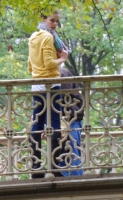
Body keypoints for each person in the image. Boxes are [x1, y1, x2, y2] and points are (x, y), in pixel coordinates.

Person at [27, 11, 70, 178]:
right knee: (54, 124)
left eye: (57, 21)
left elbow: (30, 65)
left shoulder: (33, 37)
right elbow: (49, 63)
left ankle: (36, 167)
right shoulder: (48, 37)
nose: (55, 24)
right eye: (52, 20)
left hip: (36, 85)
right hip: (51, 84)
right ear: (43, 19)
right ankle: (54, 167)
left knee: (37, 123)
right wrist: (63, 58)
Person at [59, 65, 85, 176]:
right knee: (69, 154)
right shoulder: (63, 72)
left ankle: (78, 186)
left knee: (71, 155)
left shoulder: (60, 72)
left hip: (69, 119)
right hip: (70, 119)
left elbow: (64, 98)